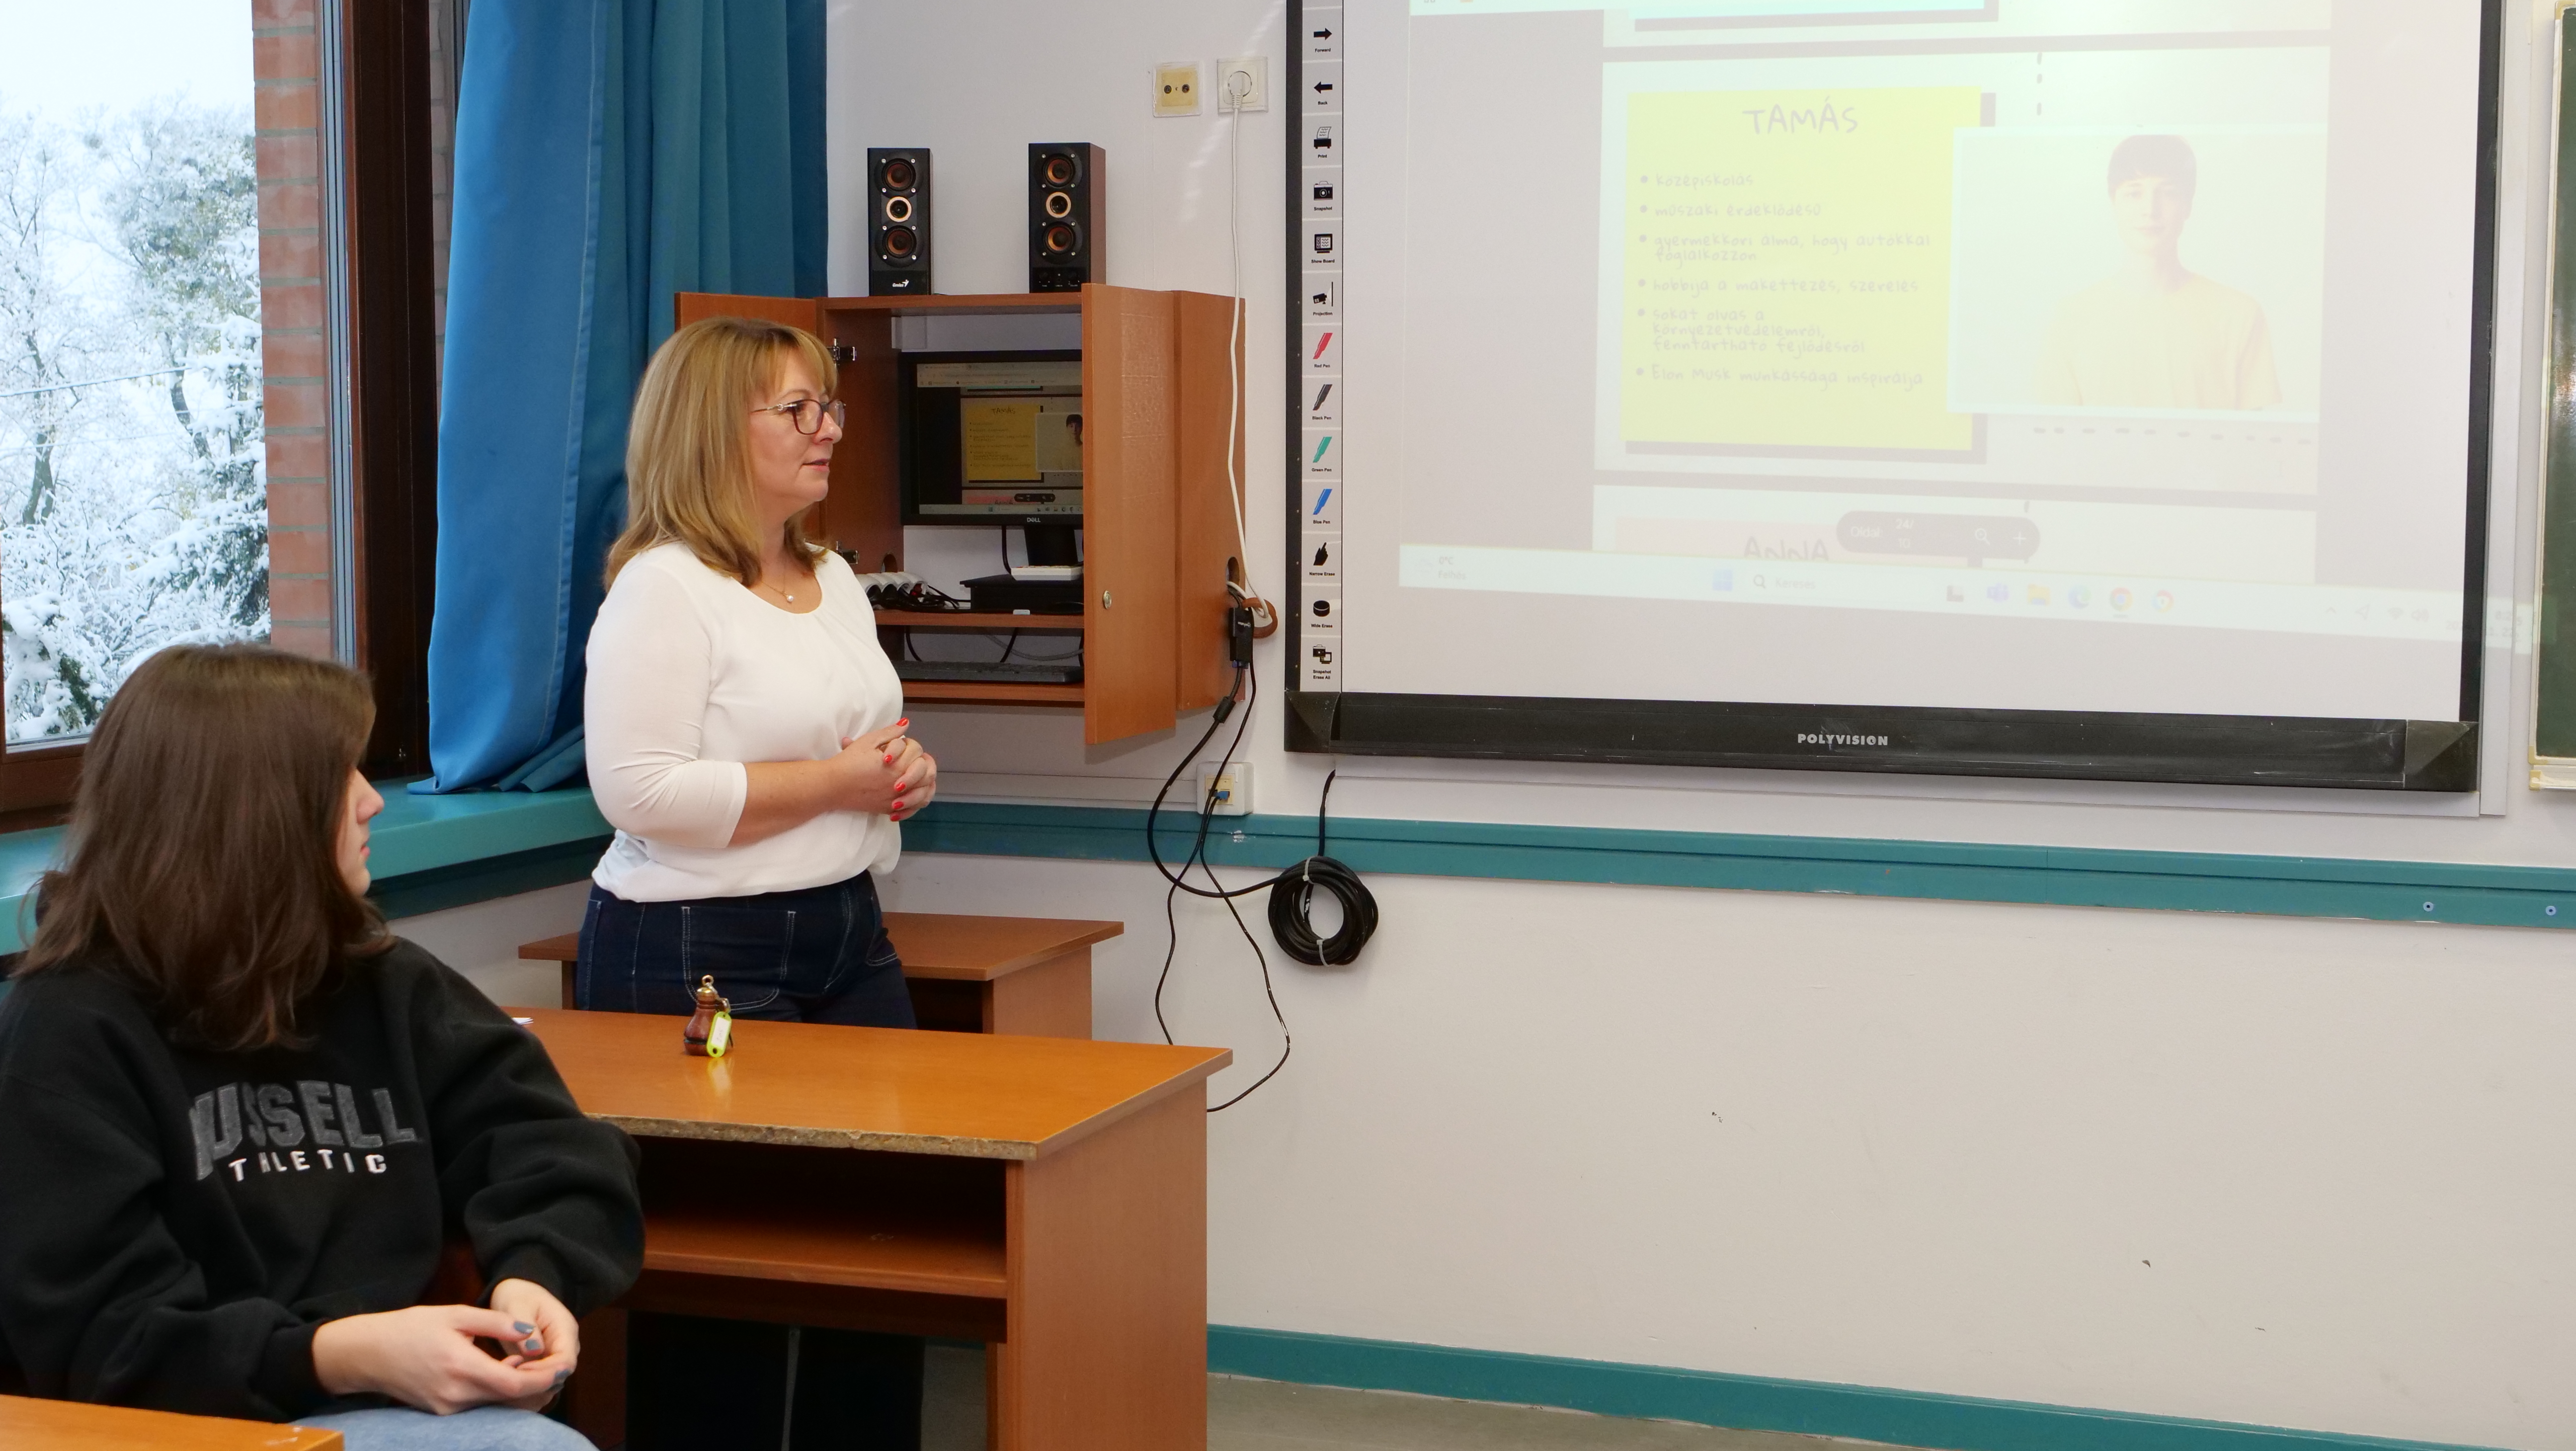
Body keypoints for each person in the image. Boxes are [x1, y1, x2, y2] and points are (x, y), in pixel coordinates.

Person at [0, 644, 643, 1451]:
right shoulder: (68, 1031)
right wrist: (342, 1355)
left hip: (376, 1398)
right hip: (186, 1423)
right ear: (256, 809)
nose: (373, 801)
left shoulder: (384, 983)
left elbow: (555, 1149)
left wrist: (534, 1275)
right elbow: (105, 1345)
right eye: (341, 776)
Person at [578, 314, 938, 1448]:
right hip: (700, 952)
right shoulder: (665, 589)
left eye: (828, 405)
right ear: (711, 431)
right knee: (725, 1285)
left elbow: (859, 739)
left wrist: (900, 770)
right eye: (796, 409)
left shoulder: (831, 576)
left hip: (846, 932)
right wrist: (836, 782)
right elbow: (638, 791)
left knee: (885, 1247)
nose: (827, 429)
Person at [2035, 134, 2283, 410]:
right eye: (2134, 193)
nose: (2150, 210)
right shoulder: (2069, 318)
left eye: (2168, 193)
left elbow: (2257, 435)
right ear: (2113, 204)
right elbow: (2054, 433)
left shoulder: (2239, 315)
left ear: (2188, 206)